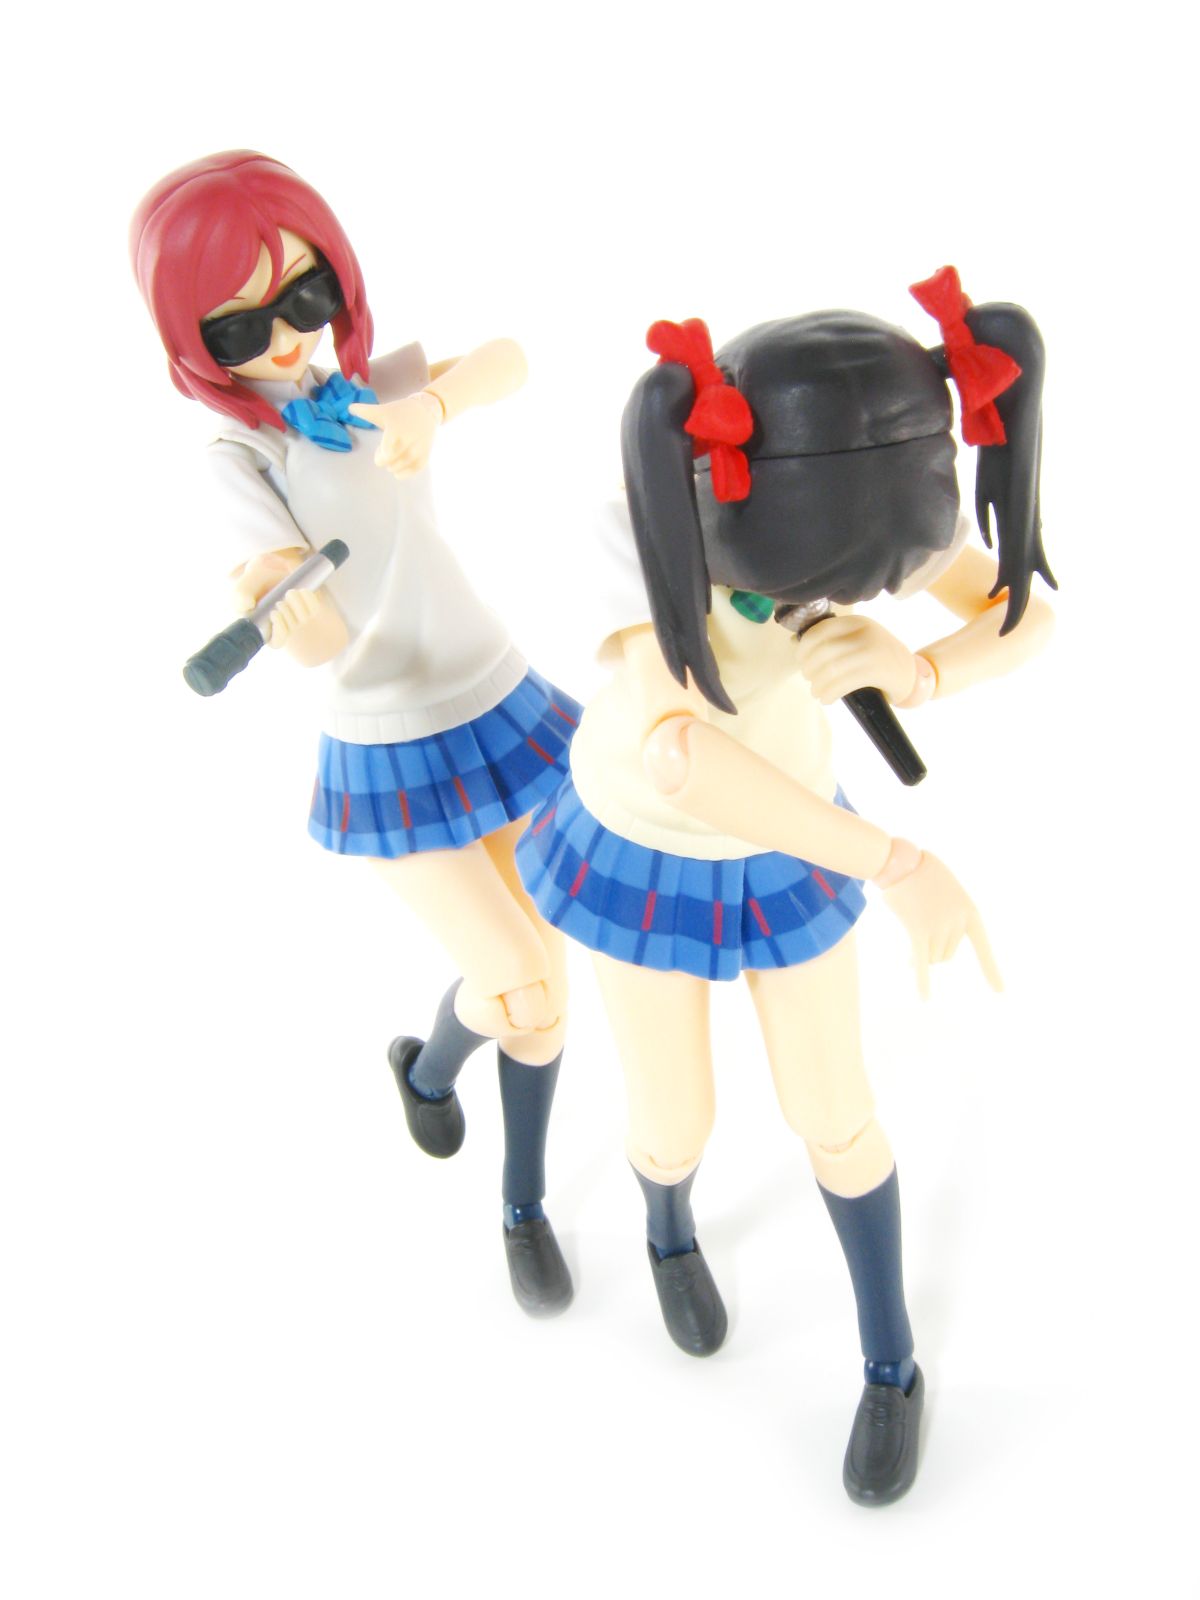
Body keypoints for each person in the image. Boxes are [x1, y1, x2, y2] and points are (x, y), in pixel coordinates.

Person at [517, 272, 1055, 1497]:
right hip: (650, 841)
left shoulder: (866, 502)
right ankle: (666, 1231)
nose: (833, 606)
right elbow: (684, 759)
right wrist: (899, 860)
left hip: (796, 831)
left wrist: (920, 670)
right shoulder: (645, 528)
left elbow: (1030, 614)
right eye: (814, 586)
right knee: (674, 1121)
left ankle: (891, 1363)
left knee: (837, 1111)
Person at [131, 151, 578, 1314]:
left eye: (306, 297)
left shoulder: (373, 387)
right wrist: (292, 610)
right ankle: (463, 1119)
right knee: (521, 977)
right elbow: (306, 620)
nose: (287, 340)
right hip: (389, 744)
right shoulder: (243, 456)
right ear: (197, 347)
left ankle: (498, 1165)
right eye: (242, 329)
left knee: (545, 988)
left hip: (498, 697)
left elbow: (511, 358)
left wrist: (432, 403)